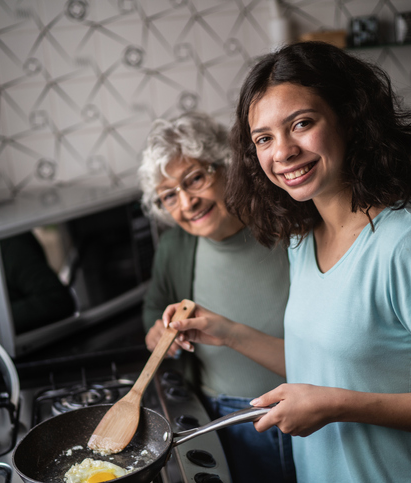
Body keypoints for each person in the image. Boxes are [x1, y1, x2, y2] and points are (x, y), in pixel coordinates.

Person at [162, 42, 411, 482]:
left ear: (351, 118)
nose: (282, 152)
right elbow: (321, 368)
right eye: (263, 138)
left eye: (301, 123)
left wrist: (338, 406)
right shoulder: (303, 240)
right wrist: (227, 332)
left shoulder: (408, 245)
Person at [138, 111, 296, 482]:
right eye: (168, 196)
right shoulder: (175, 246)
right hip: (222, 417)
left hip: (302, 404)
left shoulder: (289, 224)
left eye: (194, 179)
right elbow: (151, 307)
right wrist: (157, 333)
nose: (187, 202)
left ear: (227, 166)